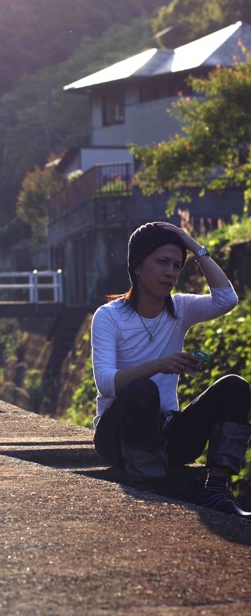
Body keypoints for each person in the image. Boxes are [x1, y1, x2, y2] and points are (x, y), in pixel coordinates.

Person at [91, 221, 250, 518]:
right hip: (117, 439)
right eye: (162, 262)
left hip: (166, 436)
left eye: (177, 265)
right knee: (143, 388)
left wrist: (193, 245)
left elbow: (227, 299)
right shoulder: (109, 317)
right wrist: (160, 365)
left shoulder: (181, 309)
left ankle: (216, 491)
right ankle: (146, 486)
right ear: (138, 267)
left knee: (235, 386)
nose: (171, 273)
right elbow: (106, 384)